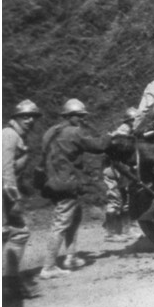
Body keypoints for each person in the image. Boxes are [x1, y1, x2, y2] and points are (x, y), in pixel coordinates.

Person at [39, 99, 112, 279]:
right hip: (67, 183)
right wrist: (111, 135)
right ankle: (48, 267)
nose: (81, 119)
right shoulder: (74, 132)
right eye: (78, 116)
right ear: (69, 116)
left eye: (82, 116)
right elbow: (98, 146)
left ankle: (70, 257)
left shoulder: (51, 132)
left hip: (52, 182)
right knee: (61, 222)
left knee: (75, 216)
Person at [2, 99, 43, 301]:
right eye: (24, 116)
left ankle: (9, 280)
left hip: (6, 193)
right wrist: (14, 198)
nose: (29, 120)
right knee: (5, 234)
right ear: (15, 117)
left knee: (18, 234)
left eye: (32, 117)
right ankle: (8, 282)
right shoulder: (9, 135)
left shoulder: (19, 136)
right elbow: (5, 169)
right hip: (2, 194)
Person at [102, 107, 140, 243]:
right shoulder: (121, 134)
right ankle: (110, 233)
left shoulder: (130, 133)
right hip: (113, 170)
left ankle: (126, 230)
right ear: (131, 121)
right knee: (115, 200)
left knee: (126, 201)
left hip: (123, 170)